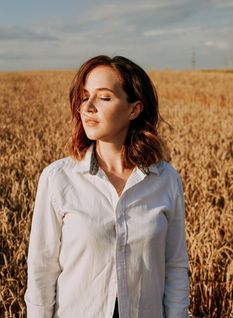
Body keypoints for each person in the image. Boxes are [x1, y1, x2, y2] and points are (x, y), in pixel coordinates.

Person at [25, 55, 190, 318]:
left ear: (134, 109)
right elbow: (41, 269)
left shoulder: (166, 180)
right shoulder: (58, 179)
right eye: (84, 96)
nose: (88, 107)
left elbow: (175, 266)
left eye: (103, 97)